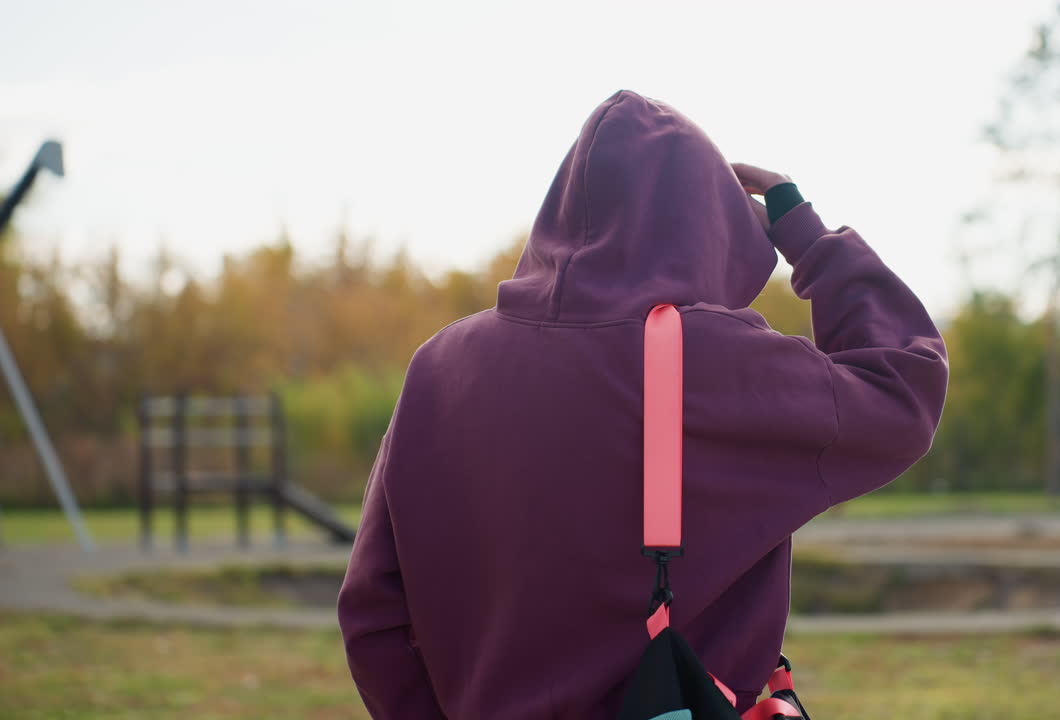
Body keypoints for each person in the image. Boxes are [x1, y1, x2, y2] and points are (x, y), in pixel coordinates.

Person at [337, 89, 949, 718]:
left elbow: (373, 615)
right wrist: (811, 240)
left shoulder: (441, 366)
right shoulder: (718, 361)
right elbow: (904, 384)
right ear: (711, 226)